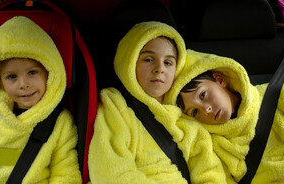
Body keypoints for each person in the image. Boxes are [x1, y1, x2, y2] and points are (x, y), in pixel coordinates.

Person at [88, 21, 227, 184]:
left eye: (168, 62)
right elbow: (111, 172)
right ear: (129, 63)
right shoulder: (115, 106)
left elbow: (210, 173)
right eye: (148, 59)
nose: (159, 68)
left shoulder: (187, 116)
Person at [165, 49, 284, 183]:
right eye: (194, 112)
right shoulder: (210, 142)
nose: (206, 109)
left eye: (203, 95)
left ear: (220, 80)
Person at [0, 16, 82, 183]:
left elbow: (65, 175)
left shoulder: (60, 123)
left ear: (50, 72)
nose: (23, 84)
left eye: (32, 72)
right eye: (12, 76)